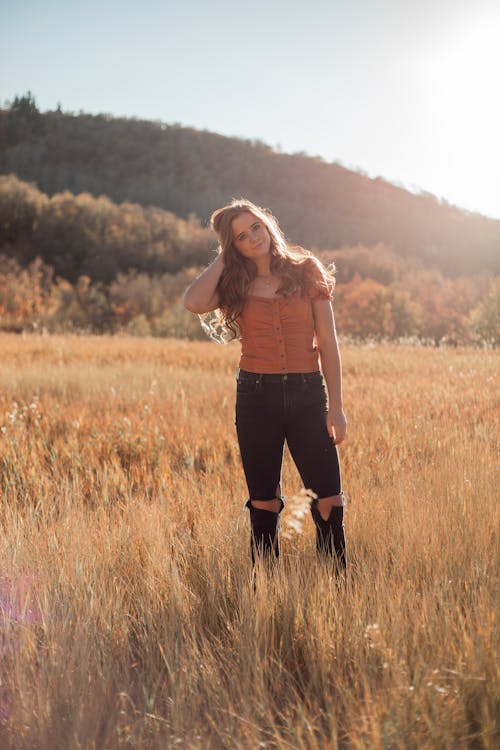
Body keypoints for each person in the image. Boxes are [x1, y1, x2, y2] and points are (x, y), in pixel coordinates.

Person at [183, 199, 347, 574]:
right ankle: (266, 590)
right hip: (256, 398)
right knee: (263, 504)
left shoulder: (307, 270)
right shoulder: (234, 281)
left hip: (308, 395)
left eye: (255, 226)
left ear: (267, 223)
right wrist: (225, 257)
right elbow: (193, 302)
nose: (253, 237)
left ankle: (337, 588)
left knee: (329, 501)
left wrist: (336, 406)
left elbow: (329, 342)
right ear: (233, 246)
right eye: (241, 236)